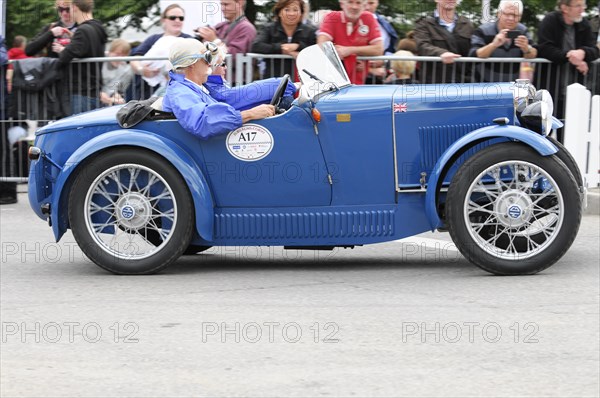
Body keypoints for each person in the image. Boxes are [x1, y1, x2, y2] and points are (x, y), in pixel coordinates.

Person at [162, 38, 275, 139]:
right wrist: (249, 114)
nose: (210, 64)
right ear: (191, 63)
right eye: (207, 58)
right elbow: (202, 122)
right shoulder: (180, 91)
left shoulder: (196, 87)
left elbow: (231, 99)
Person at [537, 0, 600, 124]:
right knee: (546, 127)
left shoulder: (584, 24)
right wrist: (570, 56)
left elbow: (595, 50)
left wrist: (583, 53)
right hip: (551, 86)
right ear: (565, 8)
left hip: (576, 88)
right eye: (578, 6)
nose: (582, 9)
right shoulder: (550, 21)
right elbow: (544, 48)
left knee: (571, 128)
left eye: (583, 5)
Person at [204, 44, 297, 110]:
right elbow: (235, 97)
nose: (226, 67)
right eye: (222, 64)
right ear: (210, 67)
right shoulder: (215, 91)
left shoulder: (213, 87)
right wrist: (291, 85)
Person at [129, 4, 192, 100]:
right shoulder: (153, 39)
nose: (177, 20)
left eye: (181, 18)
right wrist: (141, 69)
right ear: (163, 20)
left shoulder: (189, 40)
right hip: (146, 92)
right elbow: (134, 59)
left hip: (178, 93)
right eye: (172, 17)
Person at [54, 0, 107, 115]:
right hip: (94, 90)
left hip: (81, 93)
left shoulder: (82, 30)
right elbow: (85, 50)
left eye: (69, 8)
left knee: (80, 131)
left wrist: (62, 49)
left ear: (75, 8)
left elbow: (63, 58)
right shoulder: (98, 27)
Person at [317, 0, 384, 85]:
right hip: (333, 81)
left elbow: (378, 49)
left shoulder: (369, 18)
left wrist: (350, 51)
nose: (354, 7)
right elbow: (322, 46)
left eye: (358, 3)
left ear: (364, 5)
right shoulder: (331, 17)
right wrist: (354, 58)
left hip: (359, 82)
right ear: (342, 4)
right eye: (350, 2)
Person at [469, 0, 537, 82]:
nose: (511, 18)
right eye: (507, 14)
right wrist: (493, 45)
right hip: (484, 85)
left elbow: (533, 54)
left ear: (520, 17)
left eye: (515, 15)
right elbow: (474, 54)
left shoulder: (523, 31)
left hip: (511, 86)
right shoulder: (483, 30)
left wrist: (527, 49)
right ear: (498, 14)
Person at [251, 0, 317, 79]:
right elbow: (256, 46)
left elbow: (316, 50)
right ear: (279, 13)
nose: (291, 13)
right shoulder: (269, 29)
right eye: (287, 10)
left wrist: (298, 46)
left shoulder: (310, 31)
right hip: (273, 79)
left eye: (295, 10)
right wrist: (281, 48)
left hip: (301, 79)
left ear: (301, 13)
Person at [413, 0, 474, 84]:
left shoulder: (467, 24)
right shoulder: (424, 23)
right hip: (434, 82)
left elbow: (474, 49)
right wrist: (441, 53)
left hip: (463, 82)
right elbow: (422, 45)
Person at [100, 39, 133, 107]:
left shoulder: (123, 67)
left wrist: (115, 95)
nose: (119, 58)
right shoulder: (100, 60)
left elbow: (113, 85)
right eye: (117, 54)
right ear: (109, 52)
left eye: (123, 56)